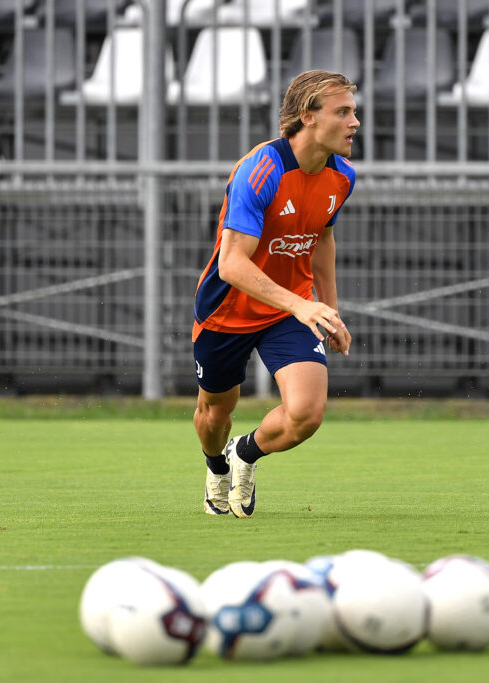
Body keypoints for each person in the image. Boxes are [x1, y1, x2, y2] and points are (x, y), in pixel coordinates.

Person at [192, 70, 359, 518]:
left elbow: (322, 240)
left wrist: (328, 311)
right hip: (228, 309)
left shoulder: (342, 175)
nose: (354, 122)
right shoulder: (261, 170)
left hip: (288, 311)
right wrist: (303, 305)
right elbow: (231, 265)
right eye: (343, 112)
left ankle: (244, 453)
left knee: (306, 414)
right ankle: (216, 464)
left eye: (353, 112)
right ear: (308, 116)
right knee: (214, 414)